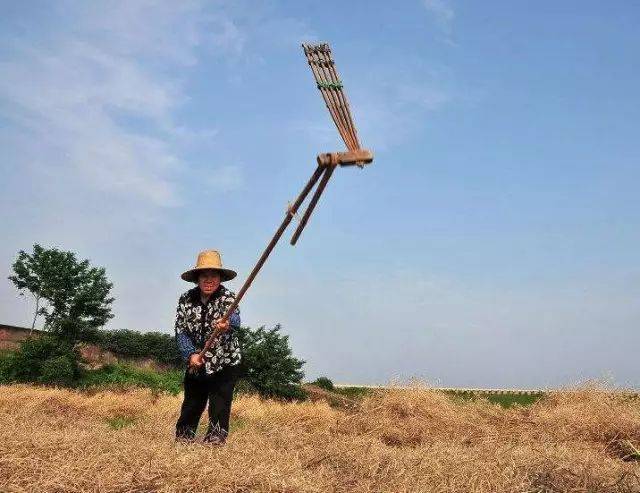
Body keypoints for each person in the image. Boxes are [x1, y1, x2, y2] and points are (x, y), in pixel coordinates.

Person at [174, 249, 243, 445]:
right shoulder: (185, 299)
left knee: (219, 403)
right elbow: (181, 330)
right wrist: (190, 355)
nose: (209, 279)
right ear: (197, 278)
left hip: (225, 361)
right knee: (192, 403)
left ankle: (214, 442)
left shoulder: (228, 298)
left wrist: (227, 324)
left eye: (214, 275)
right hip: (197, 360)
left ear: (220, 278)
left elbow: (235, 319)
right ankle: (183, 439)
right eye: (204, 275)